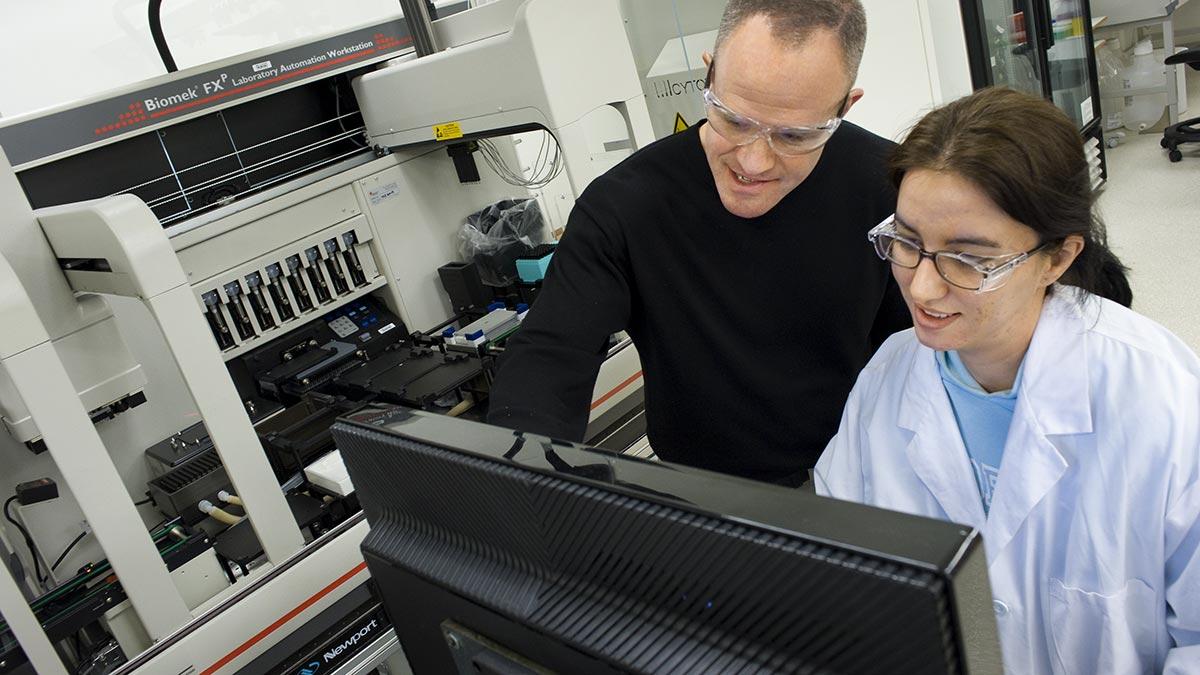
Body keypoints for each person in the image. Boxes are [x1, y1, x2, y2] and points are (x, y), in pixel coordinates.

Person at [815, 86, 1200, 673]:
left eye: (968, 259)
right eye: (908, 243)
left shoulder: (1164, 400)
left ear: (1058, 258)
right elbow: (842, 573)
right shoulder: (888, 377)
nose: (921, 288)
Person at [487, 0, 909, 486]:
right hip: (705, 490)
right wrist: (523, 480)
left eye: (794, 136)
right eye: (735, 119)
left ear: (845, 108)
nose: (753, 163)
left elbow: (923, 349)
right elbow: (552, 353)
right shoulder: (625, 205)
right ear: (708, 77)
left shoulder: (892, 189)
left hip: (864, 468)